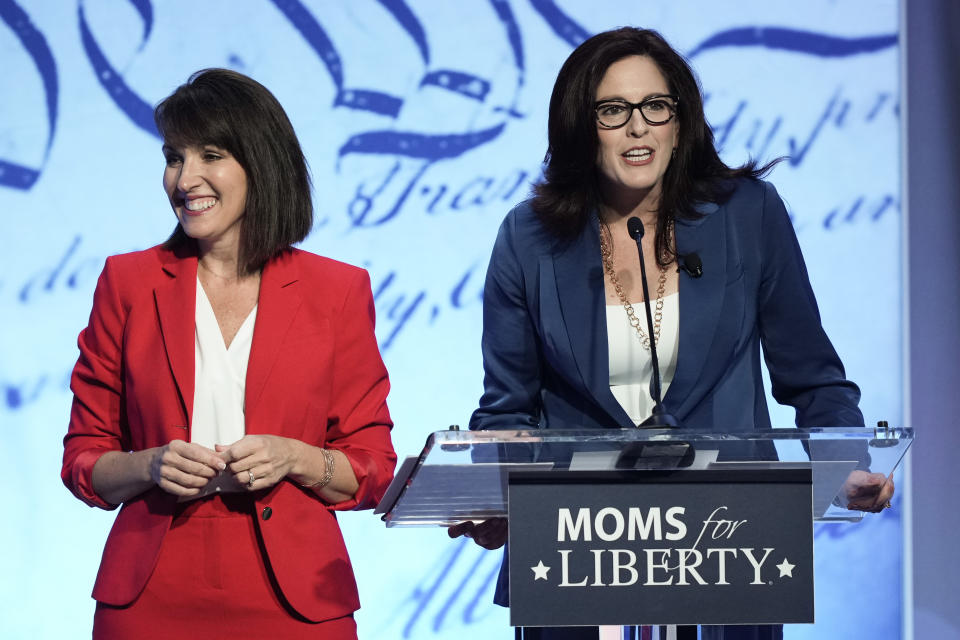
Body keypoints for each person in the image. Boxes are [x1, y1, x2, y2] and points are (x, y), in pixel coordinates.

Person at [449, 27, 894, 640]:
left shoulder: (748, 215)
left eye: (656, 106)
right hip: (577, 552)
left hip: (730, 545)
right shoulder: (529, 238)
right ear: (581, 125)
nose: (639, 128)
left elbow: (812, 375)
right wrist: (492, 492)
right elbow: (507, 406)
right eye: (613, 110)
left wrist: (842, 462)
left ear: (680, 120)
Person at [61, 69, 396, 639]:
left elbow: (373, 470)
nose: (184, 178)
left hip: (296, 600)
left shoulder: (337, 291)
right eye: (173, 157)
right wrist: (150, 463)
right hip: (150, 596)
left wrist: (295, 457)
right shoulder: (127, 282)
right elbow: (83, 461)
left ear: (259, 164)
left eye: (209, 155)